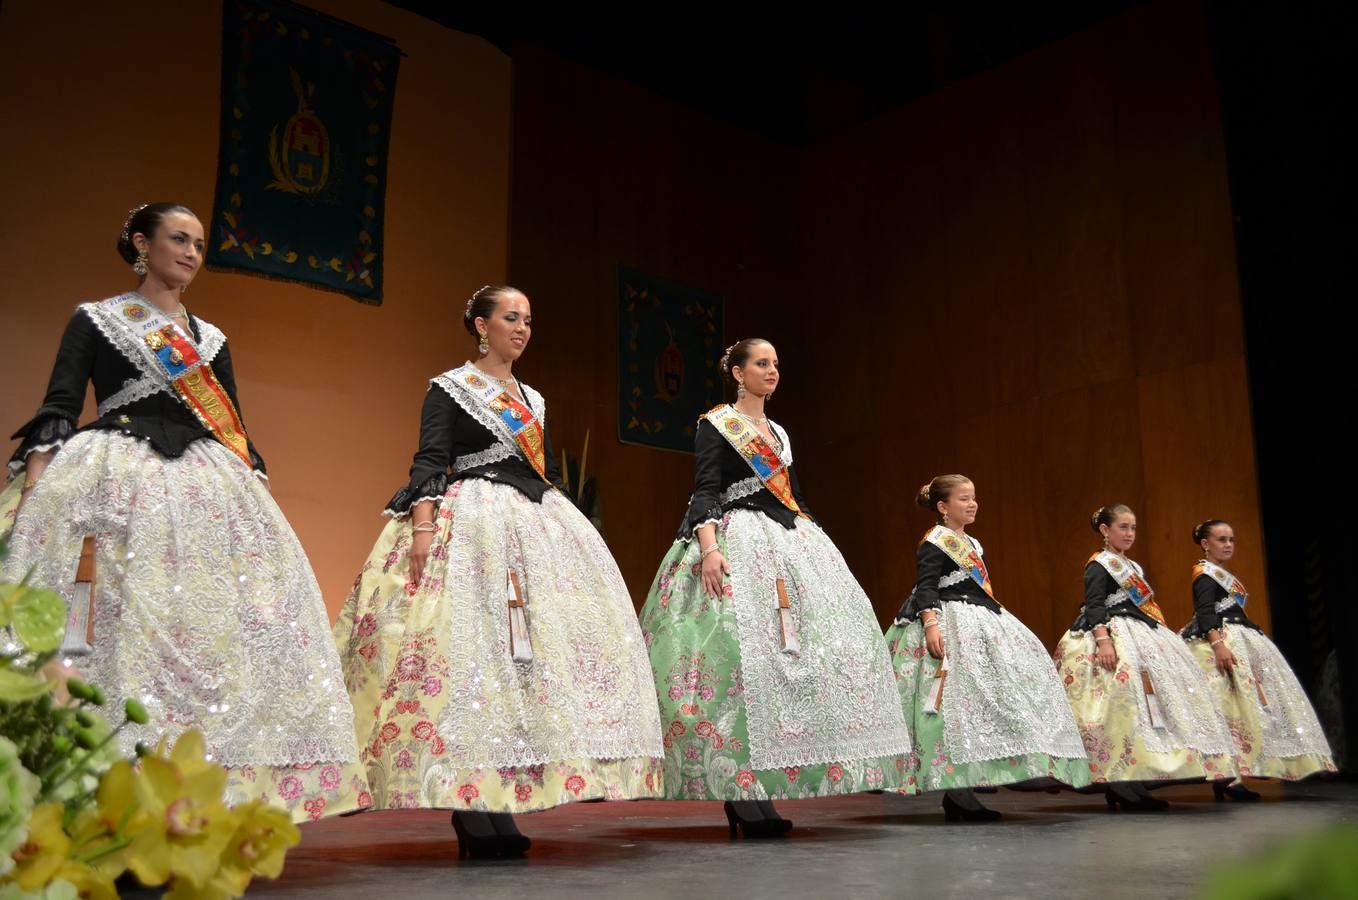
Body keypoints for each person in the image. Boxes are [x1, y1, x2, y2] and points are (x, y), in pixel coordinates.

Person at [2, 202, 367, 822]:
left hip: (204, 483)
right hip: (114, 478)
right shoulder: (96, 318)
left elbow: (232, 425)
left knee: (209, 625)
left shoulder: (211, 339)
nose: (192, 253)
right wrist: (35, 489)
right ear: (142, 244)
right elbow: (60, 402)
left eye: (199, 243)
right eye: (179, 239)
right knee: (110, 625)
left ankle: (207, 788)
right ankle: (103, 785)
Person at [333, 285, 663, 858]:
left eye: (529, 320)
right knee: (471, 661)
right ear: (481, 325)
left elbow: (544, 469)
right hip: (472, 529)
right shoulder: (450, 387)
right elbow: (430, 459)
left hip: (534, 528)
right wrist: (425, 527)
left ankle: (502, 797)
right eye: (511, 317)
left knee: (525, 667)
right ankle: (468, 804)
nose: (522, 329)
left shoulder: (533, 398)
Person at [638, 338, 912, 838]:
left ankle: (762, 787)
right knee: (741, 670)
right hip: (736, 538)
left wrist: (818, 541)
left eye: (776, 364)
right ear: (738, 374)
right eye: (762, 364)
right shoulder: (716, 424)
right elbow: (705, 488)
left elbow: (793, 494)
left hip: (789, 542)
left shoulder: (779, 433)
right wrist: (710, 547)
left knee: (785, 669)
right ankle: (742, 794)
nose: (772, 371)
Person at [885, 474, 1091, 822]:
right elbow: (926, 587)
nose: (972, 504)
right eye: (964, 498)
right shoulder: (935, 541)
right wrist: (932, 624)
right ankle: (958, 793)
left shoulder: (974, 545)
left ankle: (972, 787)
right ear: (942, 506)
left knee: (984, 704)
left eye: (974, 497)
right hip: (949, 621)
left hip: (981, 620)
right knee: (952, 707)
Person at [1053, 505, 1235, 810]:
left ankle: (1135, 782)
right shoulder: (1099, 564)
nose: (1129, 534)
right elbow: (1094, 604)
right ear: (1105, 530)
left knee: (1145, 712)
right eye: (1123, 527)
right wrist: (1103, 641)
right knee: (1122, 710)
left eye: (1133, 528)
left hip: (1142, 634)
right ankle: (1120, 784)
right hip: (1112, 636)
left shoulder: (1133, 567)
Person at [1180, 519, 1335, 799]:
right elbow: (1205, 613)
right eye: (1221, 539)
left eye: (1231, 539)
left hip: (1241, 637)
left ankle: (1234, 776)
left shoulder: (1221, 574)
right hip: (1221, 642)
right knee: (1228, 710)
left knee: (1245, 710)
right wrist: (1218, 646)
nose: (1228, 545)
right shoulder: (1204, 574)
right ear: (1205, 544)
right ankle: (1228, 778)